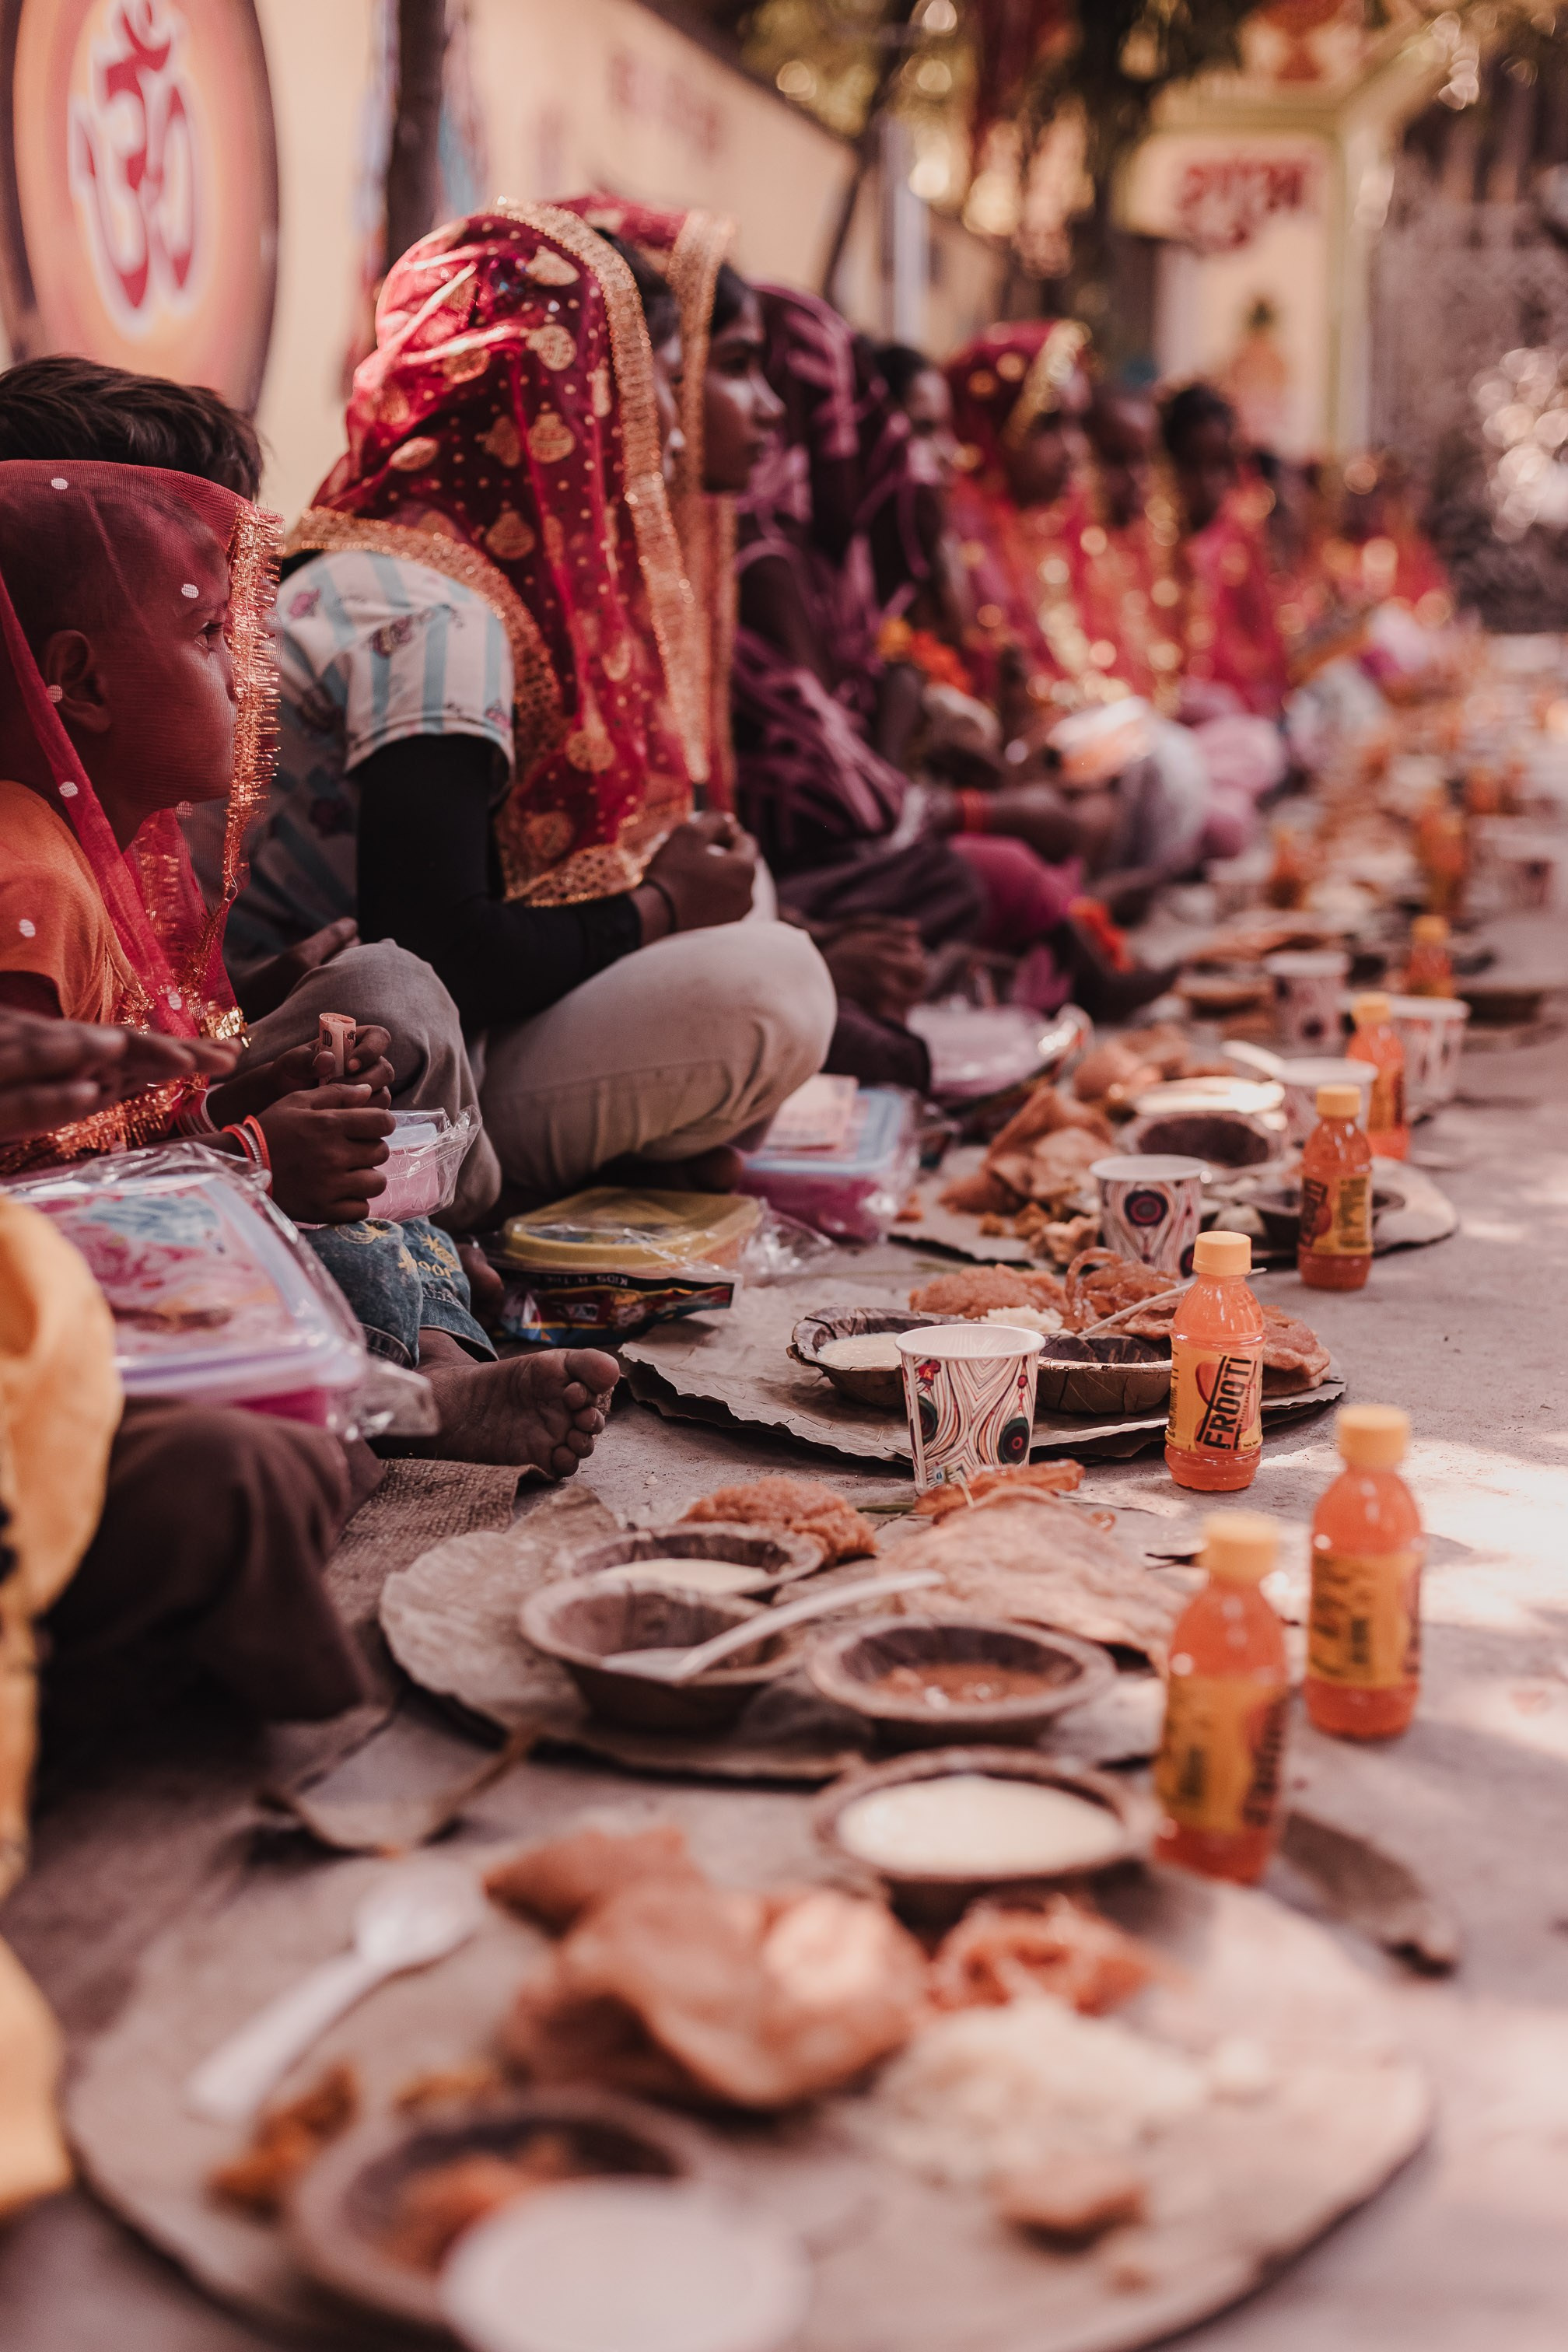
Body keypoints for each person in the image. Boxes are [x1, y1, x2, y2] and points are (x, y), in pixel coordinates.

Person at [0, 457, 616, 1469]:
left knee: (365, 1172)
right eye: (210, 638)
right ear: (85, 678)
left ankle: (421, 1380)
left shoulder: (104, 854)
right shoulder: (29, 881)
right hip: (63, 1309)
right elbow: (28, 1191)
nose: (248, 677)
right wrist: (247, 1160)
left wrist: (242, 1104)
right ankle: (377, 1413)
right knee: (309, 1274)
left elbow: (105, 1120)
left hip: (147, 1229)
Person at [247, 203, 834, 1201]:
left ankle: (621, 1149)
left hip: (389, 1028)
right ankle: (487, 1185)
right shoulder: (437, 614)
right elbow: (434, 949)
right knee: (774, 988)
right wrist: (658, 908)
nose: (676, 436)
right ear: (564, 406)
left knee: (744, 905)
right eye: (653, 397)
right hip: (355, 1079)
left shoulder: (413, 553)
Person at [1158, 381, 1289, 722]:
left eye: (1219, 467)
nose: (1207, 485)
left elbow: (1263, 646)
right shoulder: (1150, 547)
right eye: (1190, 465)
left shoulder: (1236, 540)